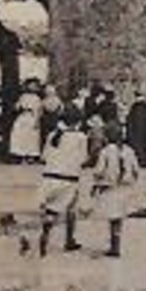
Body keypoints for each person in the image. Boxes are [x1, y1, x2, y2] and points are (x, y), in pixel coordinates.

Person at [39, 105, 90, 256]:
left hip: (49, 177)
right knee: (71, 209)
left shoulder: (53, 135)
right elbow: (83, 159)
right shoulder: (81, 137)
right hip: (69, 178)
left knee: (51, 210)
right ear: (78, 122)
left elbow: (44, 157)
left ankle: (45, 234)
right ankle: (69, 239)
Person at [91, 122, 141, 258]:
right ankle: (116, 244)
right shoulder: (129, 150)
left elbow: (98, 171)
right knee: (118, 219)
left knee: (113, 218)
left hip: (110, 189)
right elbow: (136, 170)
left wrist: (96, 184)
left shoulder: (105, 151)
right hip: (124, 188)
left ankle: (114, 246)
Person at [9, 80, 43, 163]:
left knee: (31, 136)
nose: (32, 87)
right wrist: (17, 106)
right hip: (23, 116)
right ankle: (20, 154)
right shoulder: (23, 96)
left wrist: (37, 121)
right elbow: (17, 106)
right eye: (30, 85)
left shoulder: (37, 98)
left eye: (34, 86)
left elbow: (38, 111)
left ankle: (30, 155)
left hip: (32, 117)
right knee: (19, 133)